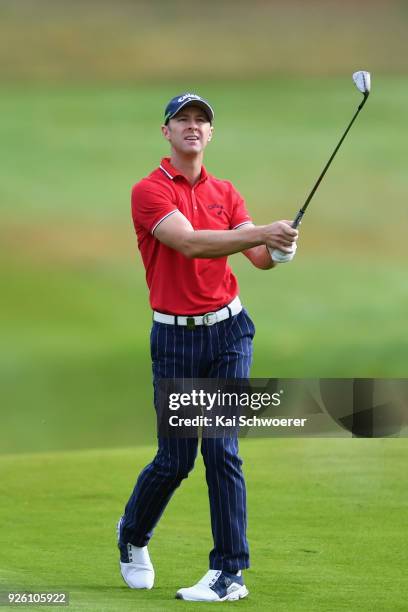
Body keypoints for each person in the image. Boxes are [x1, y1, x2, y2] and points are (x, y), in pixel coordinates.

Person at [117, 92, 298, 602]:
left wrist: (280, 249)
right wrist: (262, 233)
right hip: (175, 339)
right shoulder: (148, 191)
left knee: (222, 447)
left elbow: (257, 257)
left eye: (201, 121)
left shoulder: (226, 191)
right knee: (176, 462)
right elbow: (191, 241)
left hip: (229, 333)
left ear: (211, 134)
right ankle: (132, 535)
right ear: (166, 133)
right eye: (183, 120)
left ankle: (229, 573)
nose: (193, 127)